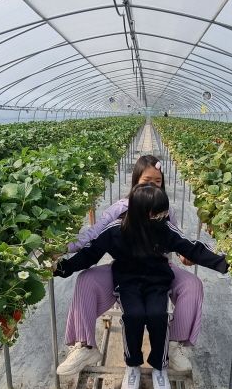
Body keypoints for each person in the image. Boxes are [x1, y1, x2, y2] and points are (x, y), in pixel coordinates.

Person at [54, 184, 228, 389]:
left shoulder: (164, 229)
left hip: (157, 281)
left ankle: (159, 367)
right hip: (127, 281)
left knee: (158, 315)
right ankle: (132, 366)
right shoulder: (115, 230)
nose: (165, 216)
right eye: (160, 212)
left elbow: (191, 248)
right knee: (133, 316)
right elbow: (89, 254)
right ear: (143, 212)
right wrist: (62, 268)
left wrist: (224, 262)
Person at [56, 155, 203, 376]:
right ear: (135, 180)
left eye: (157, 182)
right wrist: (63, 248)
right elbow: (93, 235)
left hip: (158, 269)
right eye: (146, 181)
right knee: (86, 279)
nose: (152, 186)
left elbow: (178, 239)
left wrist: (185, 256)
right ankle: (85, 346)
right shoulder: (119, 209)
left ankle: (173, 346)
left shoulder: (166, 210)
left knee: (192, 284)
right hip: (124, 268)